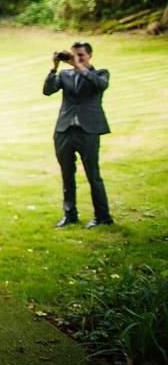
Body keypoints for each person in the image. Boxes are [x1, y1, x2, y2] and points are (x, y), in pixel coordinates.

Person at [44, 41, 113, 228]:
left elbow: (100, 85)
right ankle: (70, 214)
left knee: (93, 175)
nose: (77, 58)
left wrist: (79, 66)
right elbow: (47, 91)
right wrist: (54, 67)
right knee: (67, 175)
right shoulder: (65, 75)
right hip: (64, 130)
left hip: (88, 130)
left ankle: (102, 216)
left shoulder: (100, 73)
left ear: (89, 55)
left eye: (81, 55)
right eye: (74, 55)